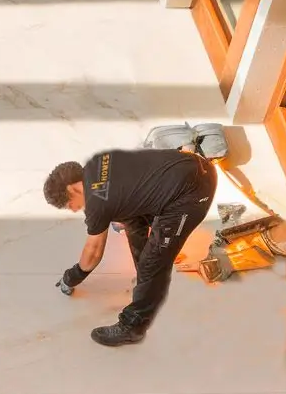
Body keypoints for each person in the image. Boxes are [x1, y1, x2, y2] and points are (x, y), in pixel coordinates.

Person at [44, 147, 218, 346]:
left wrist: (72, 276)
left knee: (154, 262)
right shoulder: (97, 163)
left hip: (192, 193)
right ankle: (146, 280)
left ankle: (133, 327)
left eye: (70, 204)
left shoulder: (97, 203)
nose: (74, 209)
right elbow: (129, 190)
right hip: (195, 166)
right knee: (131, 221)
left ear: (72, 189)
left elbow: (93, 253)